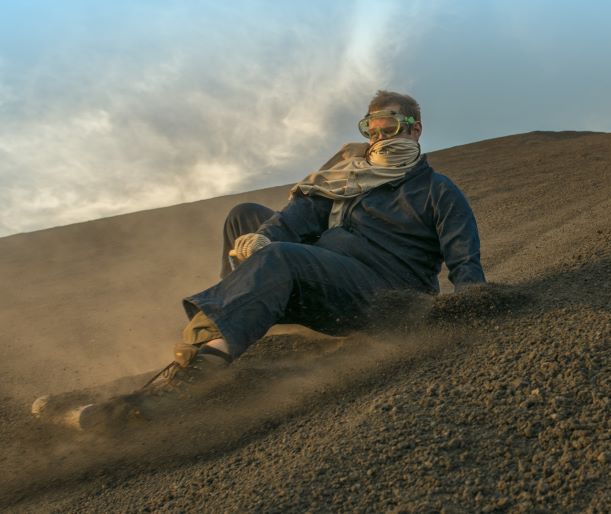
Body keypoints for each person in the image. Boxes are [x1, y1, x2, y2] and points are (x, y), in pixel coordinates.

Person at [40, 90, 487, 431]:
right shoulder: (345, 180)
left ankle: (197, 375)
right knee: (245, 218)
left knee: (281, 258)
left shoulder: (437, 191)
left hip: (384, 295)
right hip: (324, 278)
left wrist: (469, 311)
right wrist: (261, 239)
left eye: (389, 125)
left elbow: (466, 266)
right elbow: (292, 219)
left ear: (415, 129)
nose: (377, 135)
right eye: (370, 126)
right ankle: (227, 330)